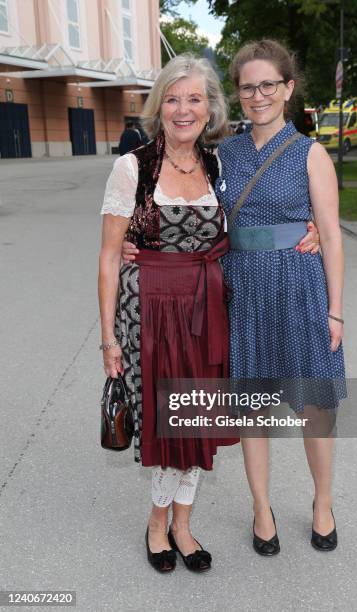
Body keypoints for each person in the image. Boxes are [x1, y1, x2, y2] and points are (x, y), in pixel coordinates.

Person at [99, 55, 241, 573]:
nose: (184, 109)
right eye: (174, 99)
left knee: (197, 421)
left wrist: (308, 234)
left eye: (195, 98)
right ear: (160, 107)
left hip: (206, 310)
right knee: (166, 424)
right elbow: (110, 257)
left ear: (210, 109)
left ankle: (183, 525)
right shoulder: (133, 167)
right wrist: (109, 339)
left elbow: (261, 220)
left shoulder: (222, 165)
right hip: (149, 314)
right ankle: (158, 525)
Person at [217, 39, 346, 555]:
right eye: (248, 87)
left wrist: (335, 310)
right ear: (239, 94)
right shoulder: (222, 153)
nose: (258, 95)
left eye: (268, 84)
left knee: (314, 404)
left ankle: (322, 502)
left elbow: (332, 235)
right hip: (242, 291)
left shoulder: (310, 154)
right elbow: (202, 218)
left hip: (299, 290)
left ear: (288, 88)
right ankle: (261, 508)